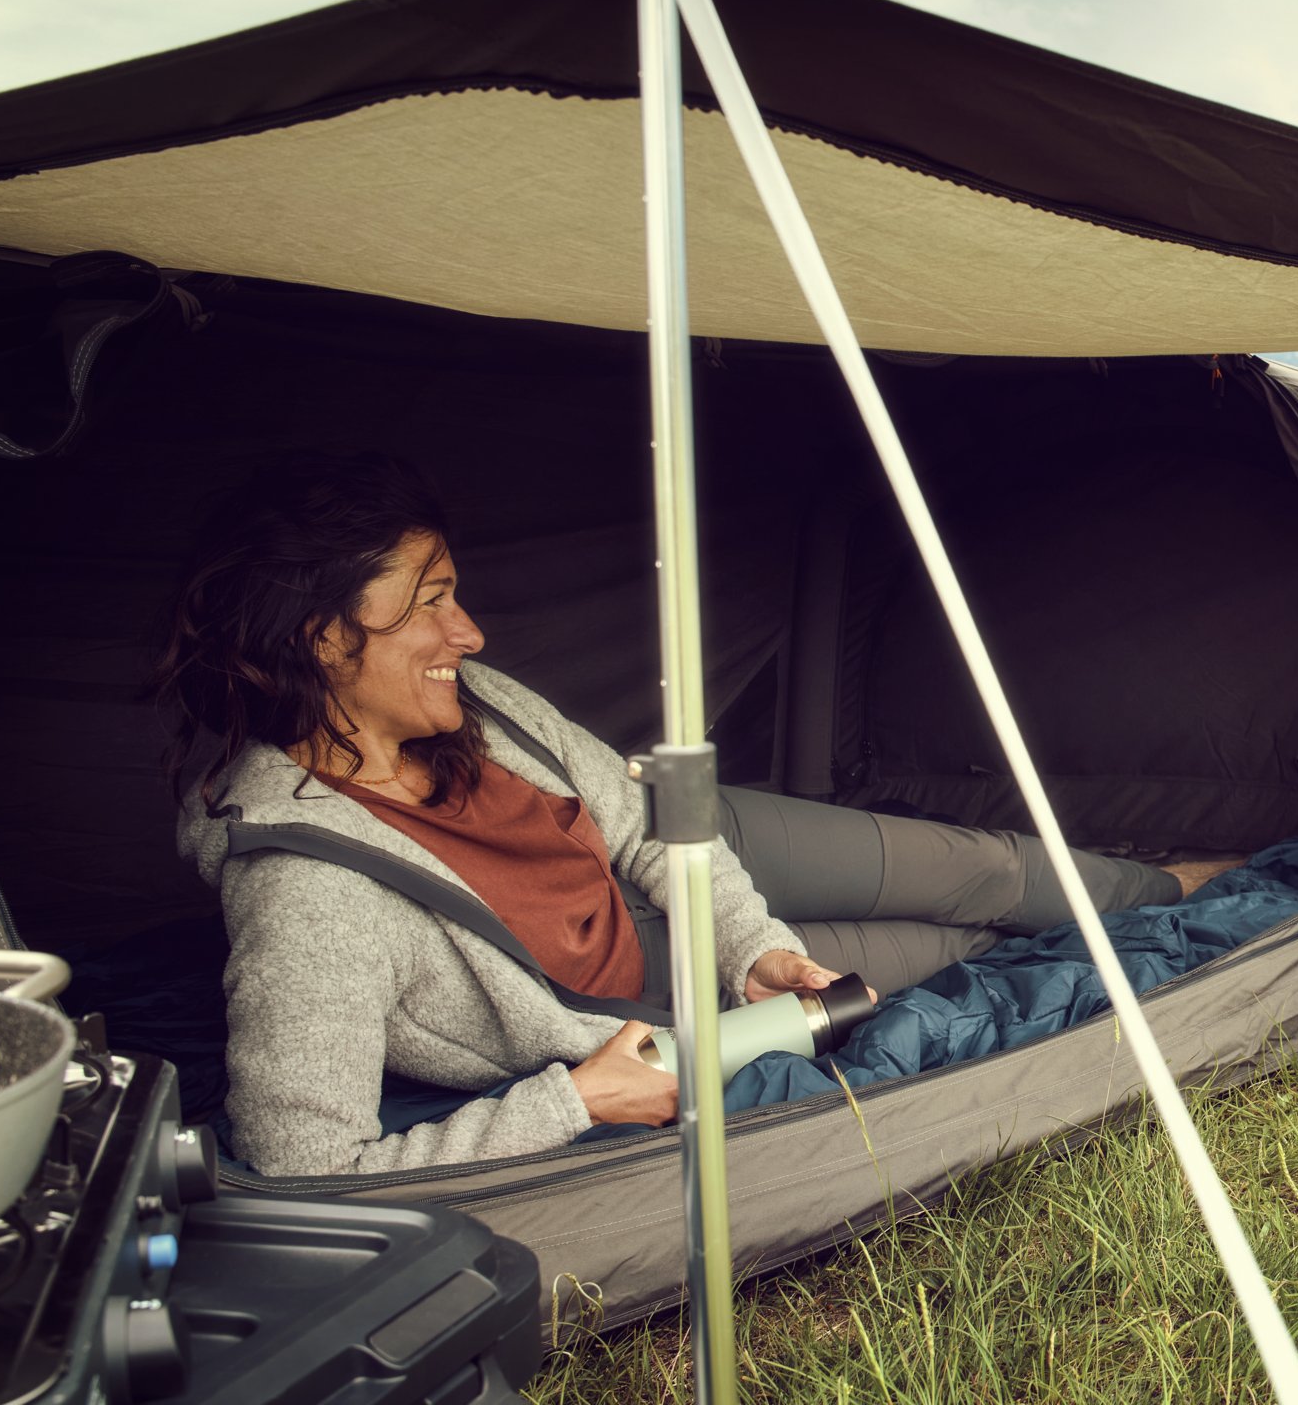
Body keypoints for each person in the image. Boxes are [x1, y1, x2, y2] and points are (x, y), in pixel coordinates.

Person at [156, 455, 1231, 1178]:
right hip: (645, 984)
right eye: (430, 597)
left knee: (982, 867)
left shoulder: (476, 706)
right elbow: (305, 1163)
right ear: (321, 637)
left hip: (696, 858)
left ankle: (1191, 883)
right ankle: (1149, 899)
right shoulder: (308, 890)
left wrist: (751, 942)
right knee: (954, 946)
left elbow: (643, 817)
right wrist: (569, 1102)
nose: (469, 630)